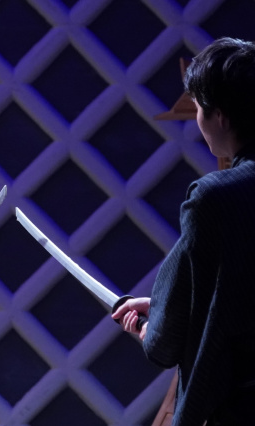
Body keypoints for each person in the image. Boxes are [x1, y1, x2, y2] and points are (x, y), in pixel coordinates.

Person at [112, 37, 255, 425]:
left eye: (199, 107)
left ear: (220, 115)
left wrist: (152, 327)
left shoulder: (216, 197)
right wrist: (160, 307)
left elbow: (166, 341)